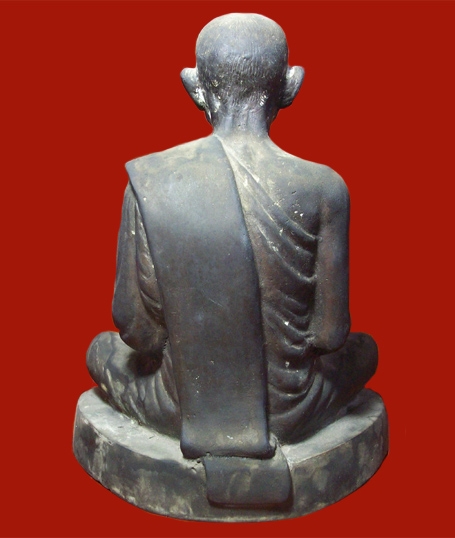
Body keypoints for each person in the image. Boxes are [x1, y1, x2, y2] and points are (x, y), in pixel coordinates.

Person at [87, 14, 377, 466]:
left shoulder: (154, 179)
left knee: (100, 351)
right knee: (365, 351)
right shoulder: (325, 188)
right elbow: (330, 333)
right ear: (291, 86)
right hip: (291, 410)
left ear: (194, 87)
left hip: (180, 407)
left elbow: (136, 330)